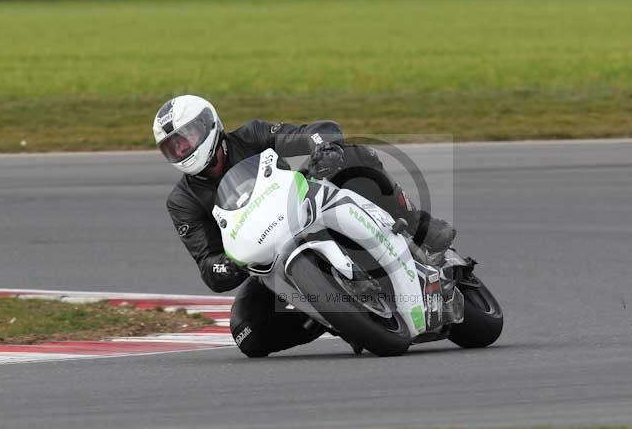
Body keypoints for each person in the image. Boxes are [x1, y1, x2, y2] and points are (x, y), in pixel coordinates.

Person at [155, 95, 455, 357]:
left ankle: (418, 225)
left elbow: (311, 133)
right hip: (267, 261)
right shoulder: (182, 202)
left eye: (185, 137)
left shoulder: (251, 135)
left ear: (208, 125)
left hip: (304, 207)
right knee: (247, 335)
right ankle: (336, 318)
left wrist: (325, 148)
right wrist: (230, 265)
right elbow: (208, 267)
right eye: (173, 146)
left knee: (352, 157)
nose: (182, 148)